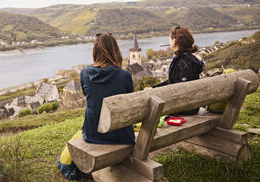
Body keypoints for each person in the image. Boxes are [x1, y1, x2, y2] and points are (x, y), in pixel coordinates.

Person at [58, 33, 135, 180]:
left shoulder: (85, 73)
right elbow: (128, 104)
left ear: (96, 51)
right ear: (116, 51)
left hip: (93, 135)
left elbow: (91, 97)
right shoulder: (124, 76)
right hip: (122, 136)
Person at [153, 26, 204, 115]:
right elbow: (173, 81)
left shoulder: (183, 62)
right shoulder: (187, 58)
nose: (169, 41)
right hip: (191, 105)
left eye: (170, 38)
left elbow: (180, 89)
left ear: (175, 40)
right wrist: (154, 88)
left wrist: (154, 91)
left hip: (186, 108)